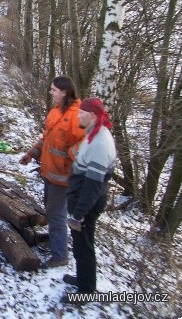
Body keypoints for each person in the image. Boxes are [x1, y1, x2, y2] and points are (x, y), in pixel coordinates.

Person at [20, 76, 85, 268]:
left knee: (56, 214)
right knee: (51, 210)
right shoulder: (56, 112)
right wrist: (32, 154)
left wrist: (68, 158)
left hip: (63, 177)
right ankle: (56, 242)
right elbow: (46, 138)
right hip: (49, 171)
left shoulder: (77, 115)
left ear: (64, 92)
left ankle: (60, 256)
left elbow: (84, 144)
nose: (51, 93)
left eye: (54, 90)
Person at [61, 97, 117, 304]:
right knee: (80, 245)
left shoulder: (101, 142)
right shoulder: (94, 133)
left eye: (82, 113)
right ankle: (83, 280)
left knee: (84, 247)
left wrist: (79, 214)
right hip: (82, 199)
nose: (78, 115)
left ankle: (87, 291)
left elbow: (93, 185)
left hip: (88, 203)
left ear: (93, 115)